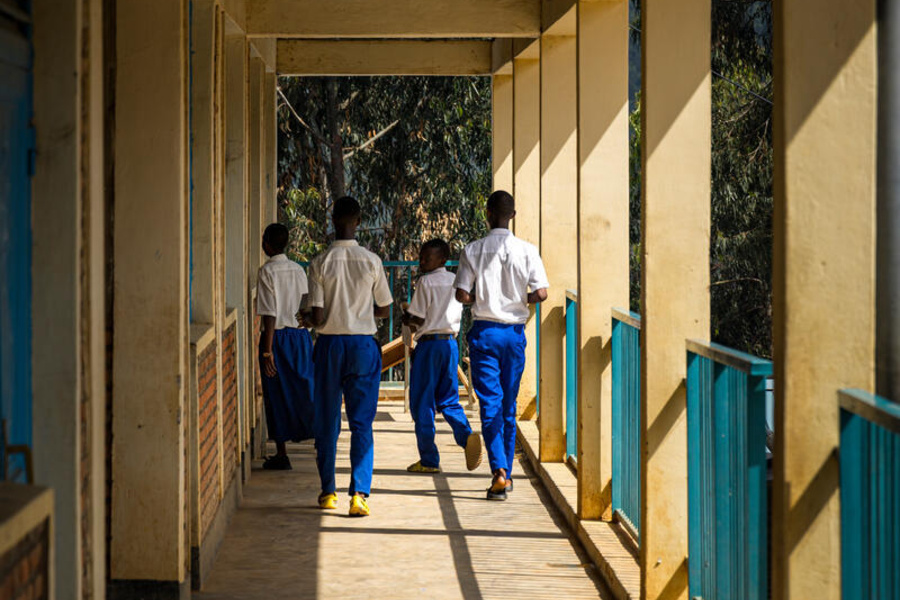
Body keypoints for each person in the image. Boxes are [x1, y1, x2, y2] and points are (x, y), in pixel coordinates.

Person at [454, 190, 549, 500]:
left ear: (487, 213)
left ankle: (499, 472)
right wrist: (520, 299)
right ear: (513, 216)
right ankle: (504, 474)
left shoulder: (472, 250)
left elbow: (461, 295)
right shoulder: (528, 251)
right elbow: (542, 293)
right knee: (507, 405)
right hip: (514, 335)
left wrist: (479, 297)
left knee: (490, 403)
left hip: (485, 333)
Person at [307, 196, 393, 517]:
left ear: (333, 220)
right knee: (362, 422)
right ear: (357, 221)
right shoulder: (372, 261)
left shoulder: (320, 262)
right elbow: (384, 308)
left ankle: (328, 491)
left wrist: (314, 317)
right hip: (362, 346)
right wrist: (359, 314)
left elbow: (317, 316)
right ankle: (359, 494)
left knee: (327, 421)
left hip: (329, 346)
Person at [402, 239, 483, 474]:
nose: (422, 261)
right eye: (421, 257)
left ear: (441, 260)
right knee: (448, 399)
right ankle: (466, 437)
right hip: (449, 345)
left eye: (426, 258)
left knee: (423, 403)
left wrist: (406, 317)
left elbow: (416, 319)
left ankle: (428, 459)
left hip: (428, 347)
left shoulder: (425, 282)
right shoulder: (456, 281)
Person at [256, 223, 316, 470]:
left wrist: (267, 350)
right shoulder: (297, 270)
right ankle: (318, 438)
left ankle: (282, 452)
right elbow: (306, 305)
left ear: (267, 244)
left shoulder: (266, 271)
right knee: (305, 387)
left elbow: (269, 314)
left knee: (275, 393)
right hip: (300, 336)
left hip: (277, 338)